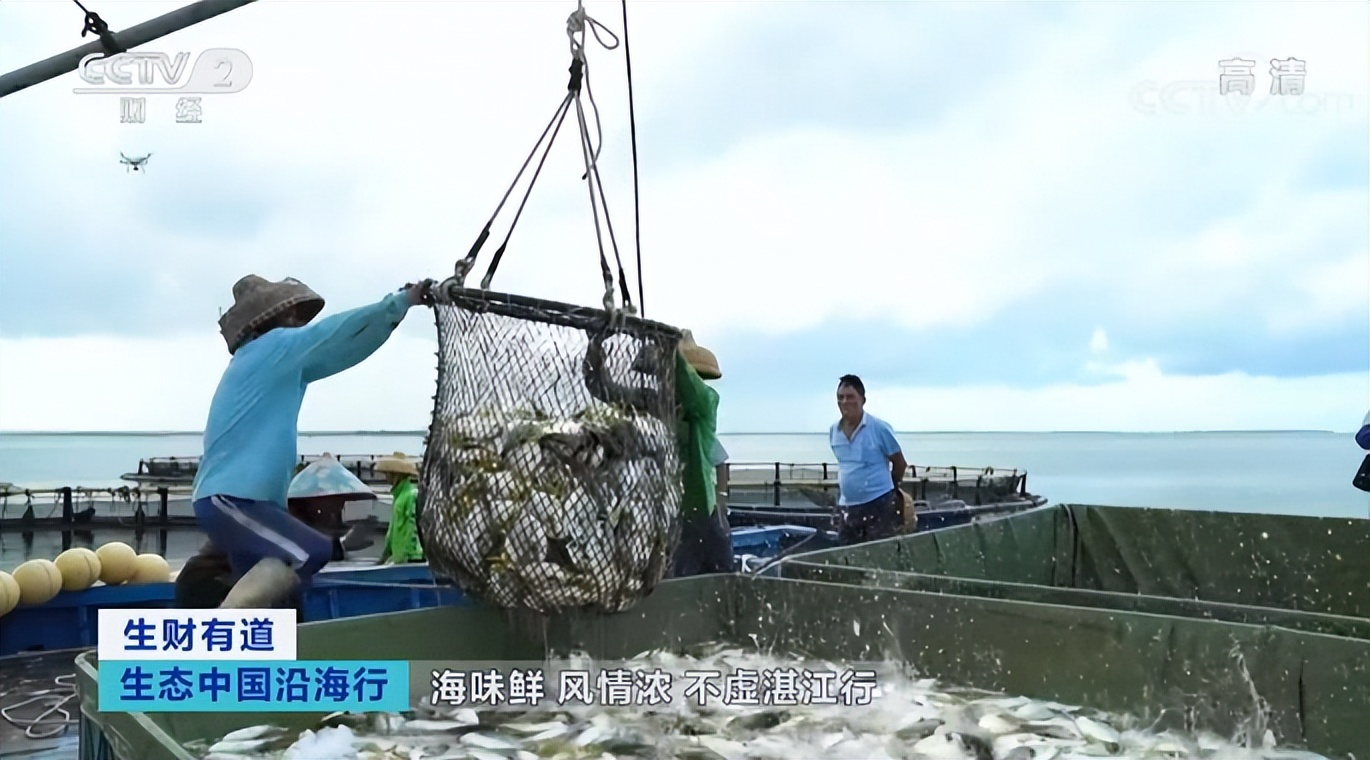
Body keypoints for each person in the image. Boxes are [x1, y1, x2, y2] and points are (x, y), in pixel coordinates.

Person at [192, 274, 431, 609]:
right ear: (270, 320)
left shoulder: (267, 361)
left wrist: (394, 314)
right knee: (310, 552)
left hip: (242, 503)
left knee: (280, 601)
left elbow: (343, 350)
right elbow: (334, 332)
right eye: (290, 313)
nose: (296, 321)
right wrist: (400, 302)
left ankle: (258, 640)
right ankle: (218, 632)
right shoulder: (273, 347)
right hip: (232, 500)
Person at [583, 328, 732, 576]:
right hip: (669, 512)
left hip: (702, 512)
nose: (664, 381)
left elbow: (691, 390)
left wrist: (722, 500)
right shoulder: (653, 402)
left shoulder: (705, 405)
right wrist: (595, 345)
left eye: (668, 374)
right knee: (674, 577)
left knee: (721, 578)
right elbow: (602, 388)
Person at [828, 374, 909, 545]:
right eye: (840, 397)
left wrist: (891, 491)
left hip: (878, 504)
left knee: (880, 551)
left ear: (863, 400)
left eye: (850, 397)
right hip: (847, 507)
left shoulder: (879, 428)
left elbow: (900, 463)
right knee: (846, 552)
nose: (845, 402)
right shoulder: (834, 431)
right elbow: (846, 468)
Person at [375, 451, 425, 564]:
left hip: (411, 558)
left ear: (396, 475)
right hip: (400, 558)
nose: (386, 477)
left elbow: (413, 527)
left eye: (388, 474)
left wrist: (410, 554)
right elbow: (392, 531)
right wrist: (385, 555)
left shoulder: (411, 495)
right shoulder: (398, 497)